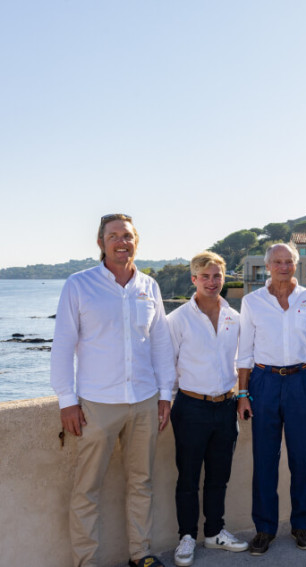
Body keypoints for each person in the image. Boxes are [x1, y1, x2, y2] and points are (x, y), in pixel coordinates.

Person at [50, 214, 176, 567]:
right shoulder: (79, 285)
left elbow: (160, 343)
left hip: (145, 400)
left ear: (137, 241)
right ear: (101, 243)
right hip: (97, 404)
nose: (122, 241)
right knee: (87, 489)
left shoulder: (149, 286)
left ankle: (141, 555)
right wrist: (67, 400)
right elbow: (62, 346)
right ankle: (86, 561)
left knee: (142, 483)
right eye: (114, 236)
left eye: (128, 235)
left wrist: (166, 394)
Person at [236, 243, 306, 556]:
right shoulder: (252, 301)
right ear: (267, 266)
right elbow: (245, 352)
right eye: (277, 262)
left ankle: (301, 525)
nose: (282, 266)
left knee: (301, 458)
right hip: (263, 382)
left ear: (296, 264)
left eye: (288, 261)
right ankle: (264, 529)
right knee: (265, 459)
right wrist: (243, 393)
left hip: (302, 381)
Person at [167, 251, 247, 566]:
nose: (212, 282)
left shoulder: (235, 318)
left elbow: (243, 362)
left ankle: (214, 532)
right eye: (205, 277)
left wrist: (243, 396)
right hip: (190, 406)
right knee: (187, 477)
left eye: (217, 276)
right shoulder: (177, 319)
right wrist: (168, 401)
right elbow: (167, 363)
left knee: (219, 476)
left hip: (226, 406)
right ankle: (186, 537)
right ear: (194, 280)